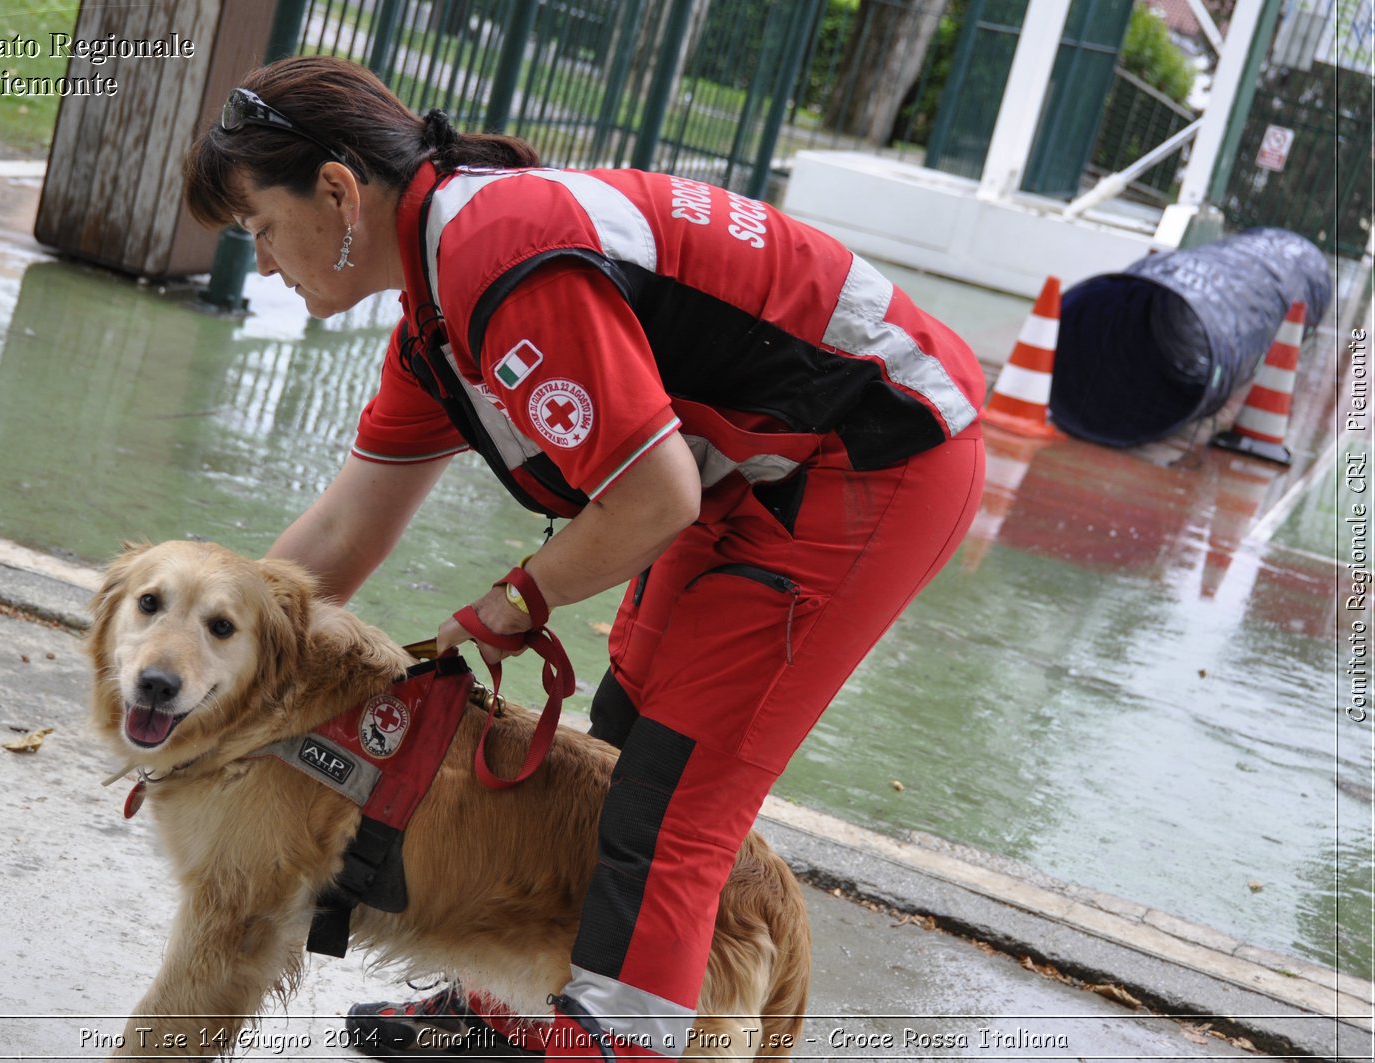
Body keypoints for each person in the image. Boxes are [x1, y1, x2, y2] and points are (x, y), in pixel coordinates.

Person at [182, 55, 986, 1062]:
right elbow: (342, 533)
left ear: (338, 192)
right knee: (612, 753)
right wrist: (202, 666)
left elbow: (652, 499)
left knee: (669, 805)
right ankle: (514, 1003)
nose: (262, 263)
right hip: (751, 463)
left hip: (877, 453)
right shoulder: (437, 313)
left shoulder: (496, 257)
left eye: (259, 227)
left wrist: (520, 597)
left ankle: (619, 1045)